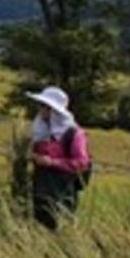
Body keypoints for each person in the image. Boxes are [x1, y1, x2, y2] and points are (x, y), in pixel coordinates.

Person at [27, 86, 92, 231]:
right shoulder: (42, 131)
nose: (40, 109)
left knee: (60, 227)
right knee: (39, 228)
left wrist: (52, 162)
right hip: (40, 188)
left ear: (53, 110)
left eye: (44, 106)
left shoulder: (74, 134)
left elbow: (82, 162)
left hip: (62, 191)